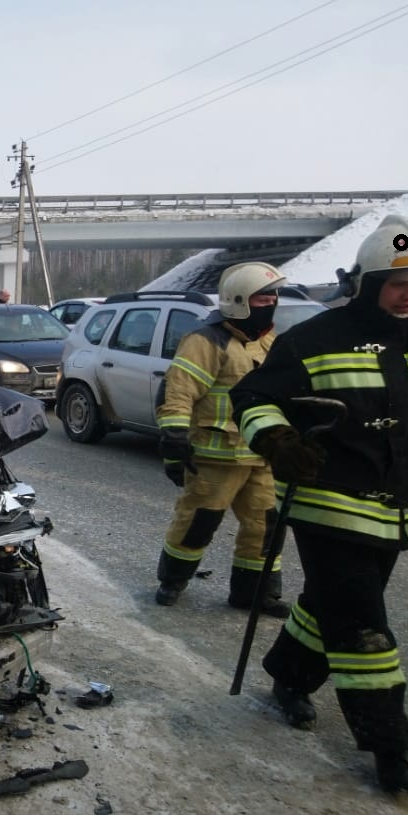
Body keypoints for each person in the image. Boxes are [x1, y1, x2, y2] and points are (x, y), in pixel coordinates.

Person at [230, 214, 408, 796]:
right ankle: (390, 746)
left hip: (396, 509)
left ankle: (288, 678)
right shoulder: (314, 338)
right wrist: (276, 439)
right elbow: (251, 396)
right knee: (362, 627)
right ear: (368, 282)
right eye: (401, 282)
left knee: (330, 605)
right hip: (328, 506)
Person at [154, 262, 290, 616]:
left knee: (265, 528)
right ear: (240, 301)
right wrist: (174, 443)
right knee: (198, 524)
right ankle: (173, 581)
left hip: (260, 458)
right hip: (215, 459)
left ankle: (255, 593)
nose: (272, 303)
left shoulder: (269, 341)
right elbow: (178, 393)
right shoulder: (206, 341)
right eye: (263, 298)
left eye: (274, 296)